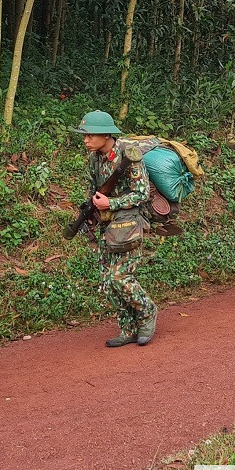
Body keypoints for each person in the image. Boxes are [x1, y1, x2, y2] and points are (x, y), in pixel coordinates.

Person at [74, 110, 157, 348]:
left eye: (90, 136)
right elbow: (94, 191)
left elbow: (141, 193)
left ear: (105, 134)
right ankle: (128, 329)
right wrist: (91, 212)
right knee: (107, 281)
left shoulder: (128, 156)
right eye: (85, 136)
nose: (86, 140)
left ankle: (147, 313)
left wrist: (112, 203)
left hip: (129, 223)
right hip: (107, 224)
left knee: (121, 277)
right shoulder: (94, 159)